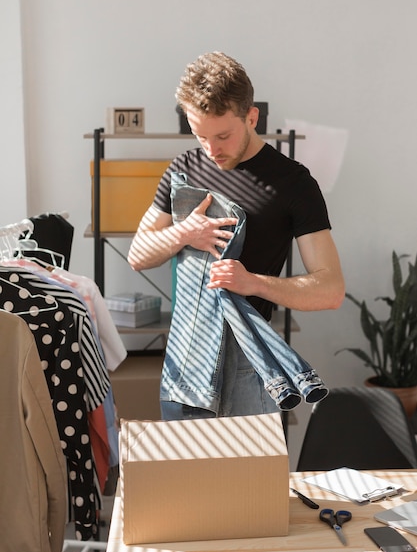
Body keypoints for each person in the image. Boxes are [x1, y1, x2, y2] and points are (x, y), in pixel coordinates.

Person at [128, 51, 345, 421]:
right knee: (184, 479)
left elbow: (331, 290)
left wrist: (253, 283)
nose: (212, 151)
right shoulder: (183, 168)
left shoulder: (293, 183)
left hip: (250, 368)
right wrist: (183, 233)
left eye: (223, 136)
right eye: (200, 136)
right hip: (186, 359)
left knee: (249, 481)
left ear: (251, 116)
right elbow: (138, 255)